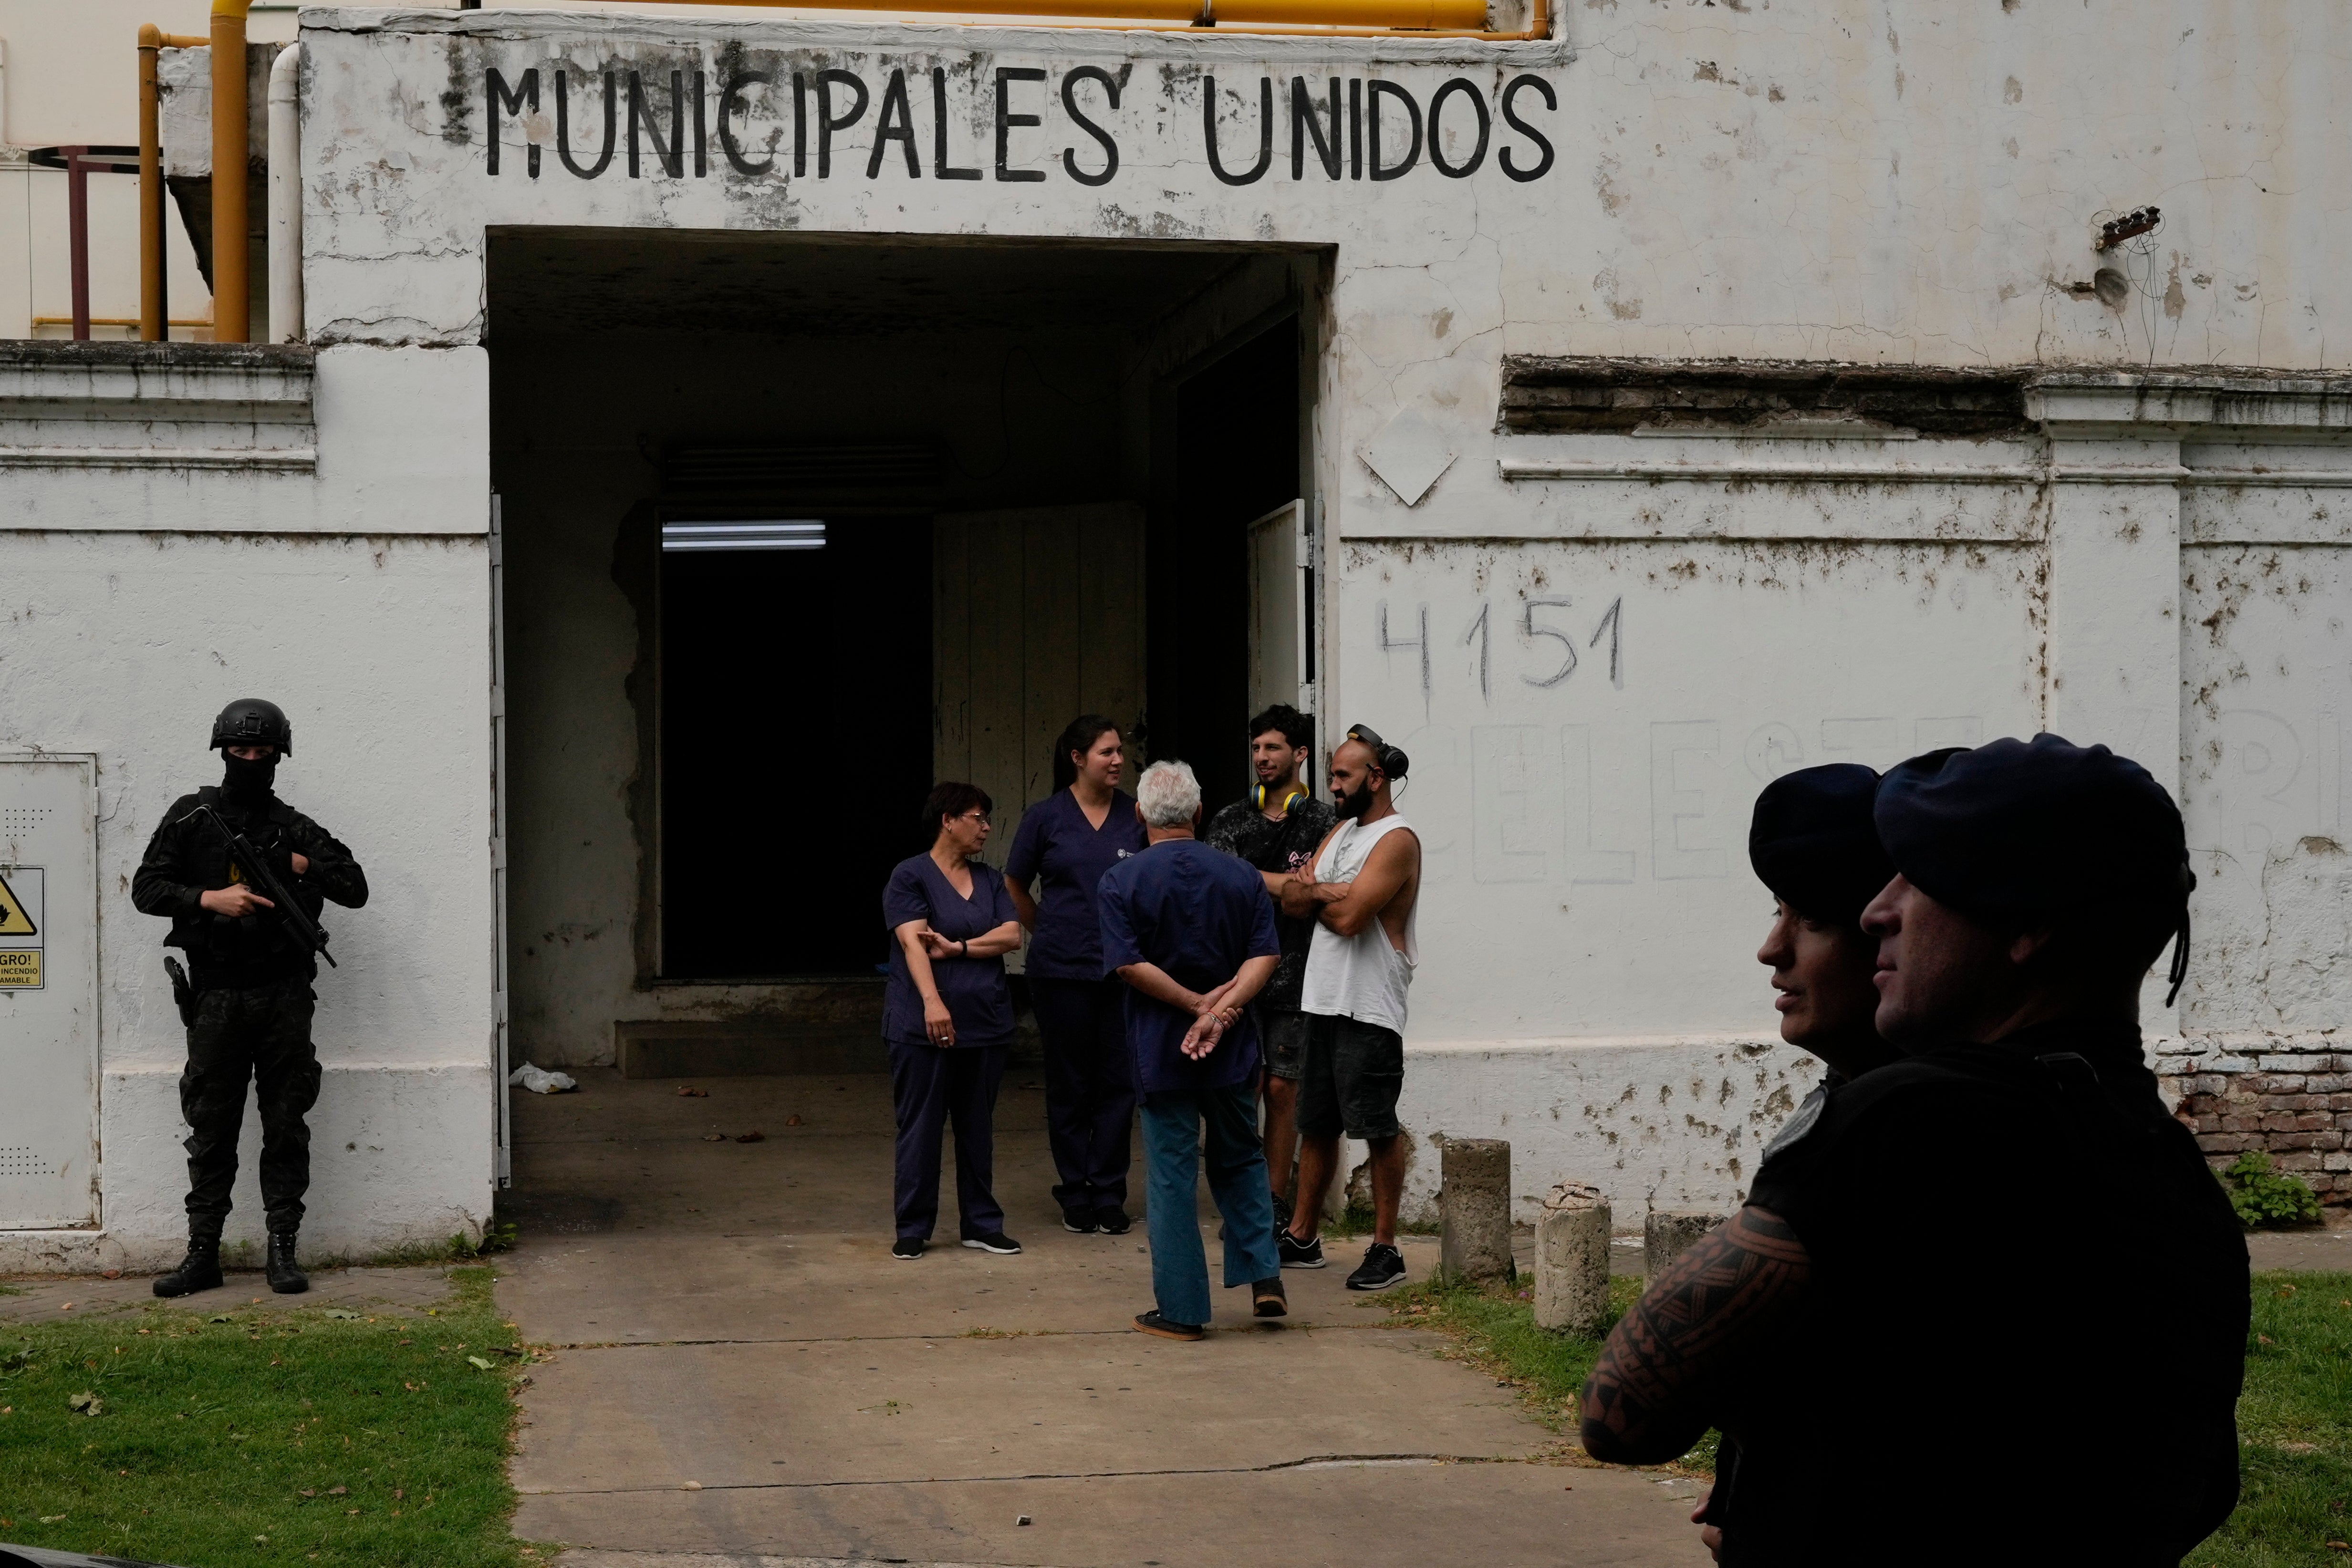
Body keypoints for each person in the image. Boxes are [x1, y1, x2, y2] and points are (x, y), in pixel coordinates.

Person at [1580, 735, 2250, 1568]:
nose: (1878, 910)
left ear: (2028, 922)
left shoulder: (1905, 1118)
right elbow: (2198, 1483)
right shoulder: (2166, 1160)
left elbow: (1620, 1410)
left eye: (1921, 879)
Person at [1691, 763, 1902, 1557]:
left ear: (1891, 929)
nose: (1770, 950)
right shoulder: (1841, 1095)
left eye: (1808, 919)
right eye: (1775, 913)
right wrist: (1738, 1483)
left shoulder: (1907, 1129)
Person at [131, 698, 369, 1298]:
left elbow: (354, 886)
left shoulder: (293, 826)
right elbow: (147, 887)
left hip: (284, 995)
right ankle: (202, 1254)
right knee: (211, 1126)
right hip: (216, 997)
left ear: (279, 756)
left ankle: (283, 1251)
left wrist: (296, 862)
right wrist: (211, 899)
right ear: (223, 751)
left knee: (286, 1123)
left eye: (263, 753)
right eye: (241, 750)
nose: (252, 759)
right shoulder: (192, 817)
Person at [1098, 761, 1284, 1339]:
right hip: (1229, 1049)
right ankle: (1265, 1277)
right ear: (1198, 813)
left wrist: (1189, 1004)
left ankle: (1182, 1309)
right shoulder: (1241, 876)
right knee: (1242, 1157)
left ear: (1139, 814)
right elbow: (1264, 956)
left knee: (1173, 1176)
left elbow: (1128, 964)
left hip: (1162, 1049)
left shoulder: (1120, 881)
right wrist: (1222, 1011)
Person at [1277, 724, 1421, 1293]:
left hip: (1368, 1008)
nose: (1332, 784)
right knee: (1317, 1124)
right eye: (1333, 773)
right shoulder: (1339, 832)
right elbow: (1291, 896)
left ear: (1376, 777)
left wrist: (1320, 893)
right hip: (1322, 999)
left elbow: (1350, 918)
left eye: (1342, 774)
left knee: (1376, 1127)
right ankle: (1303, 1235)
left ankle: (1387, 1247)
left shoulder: (1396, 839)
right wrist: (1318, 891)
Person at [1004, 714, 1148, 1235]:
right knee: (1070, 1084)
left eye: (1119, 752)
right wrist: (1047, 929)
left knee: (1117, 1083)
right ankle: (1074, 1190)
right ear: (1077, 757)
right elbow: (1015, 881)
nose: (1117, 760)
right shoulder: (1045, 817)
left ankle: (1109, 1192)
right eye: (1107, 751)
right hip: (1060, 972)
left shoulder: (1137, 815)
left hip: (1123, 973)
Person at [881, 782, 1026, 1261]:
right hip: (921, 1025)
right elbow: (913, 942)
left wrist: (961, 947)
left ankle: (981, 1224)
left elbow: (1010, 936)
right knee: (920, 1125)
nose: (985, 827)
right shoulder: (911, 876)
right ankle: (914, 1225)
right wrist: (932, 1002)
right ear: (948, 820)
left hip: (985, 1021)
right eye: (977, 817)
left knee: (976, 1126)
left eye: (986, 818)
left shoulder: (989, 878)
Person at [1203, 704, 1335, 1211]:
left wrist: (1254, 880)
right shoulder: (1230, 820)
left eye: (1273, 747)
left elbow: (1326, 891)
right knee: (1242, 1086)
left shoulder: (1327, 822)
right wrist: (1291, 888)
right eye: (1256, 747)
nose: (1261, 756)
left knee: (1283, 1090)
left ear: (1299, 754)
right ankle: (1236, 1195)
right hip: (1235, 975)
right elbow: (1221, 885)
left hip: (1299, 976)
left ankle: (1272, 1200)